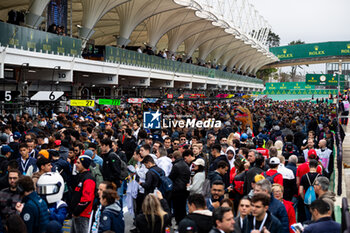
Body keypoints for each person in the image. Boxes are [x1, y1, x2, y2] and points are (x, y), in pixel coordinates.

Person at [70, 155, 96, 233]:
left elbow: (86, 199)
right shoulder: (80, 176)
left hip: (82, 215)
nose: (75, 164)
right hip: (77, 214)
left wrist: (76, 211)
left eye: (78, 163)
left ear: (84, 165)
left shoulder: (88, 179)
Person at [169, 150, 191, 224]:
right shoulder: (186, 165)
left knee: (177, 208)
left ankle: (179, 223)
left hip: (176, 190)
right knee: (182, 208)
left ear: (174, 157)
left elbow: (171, 177)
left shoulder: (176, 166)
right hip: (184, 190)